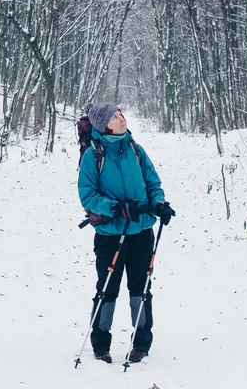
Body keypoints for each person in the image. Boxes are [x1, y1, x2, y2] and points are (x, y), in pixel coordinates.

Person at [77, 102, 175, 364]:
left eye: (121, 114)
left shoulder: (135, 149)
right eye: (115, 117)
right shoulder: (93, 156)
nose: (122, 119)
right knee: (107, 289)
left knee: (141, 288)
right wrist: (117, 208)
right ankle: (100, 345)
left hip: (142, 231)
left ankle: (141, 344)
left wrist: (159, 204)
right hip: (110, 234)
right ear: (103, 125)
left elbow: (153, 182)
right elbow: (87, 195)